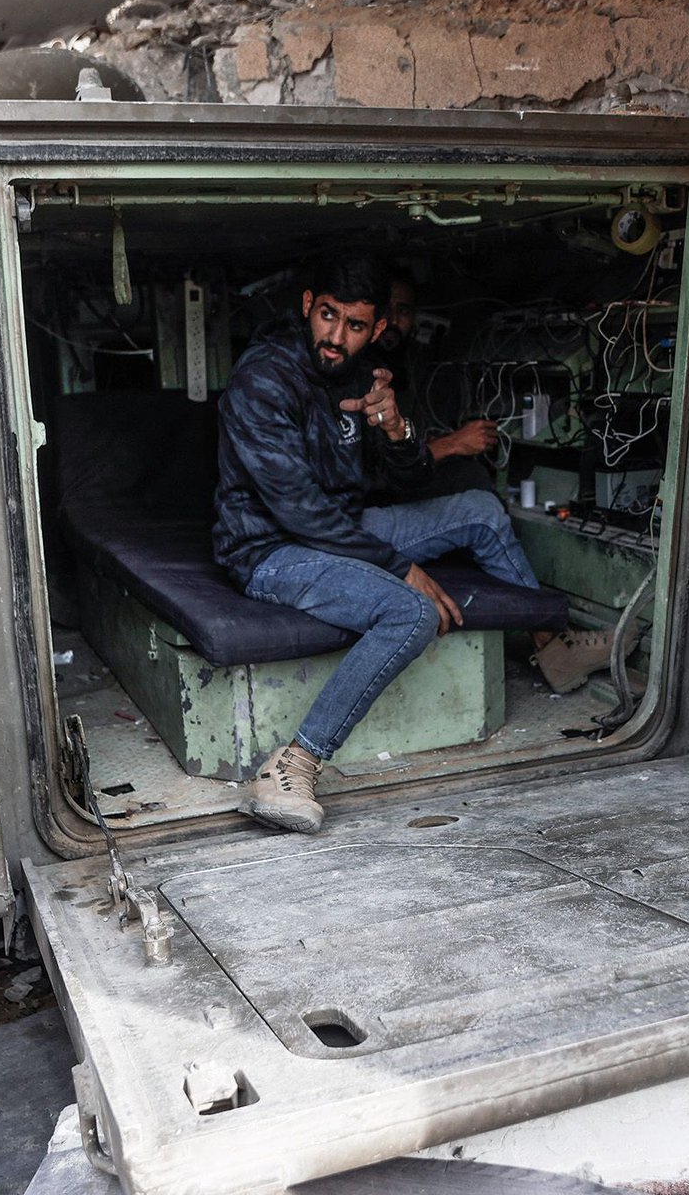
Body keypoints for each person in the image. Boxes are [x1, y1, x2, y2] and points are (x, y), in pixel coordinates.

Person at [212, 252, 543, 835]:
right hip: (268, 549)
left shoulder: (364, 375)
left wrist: (397, 428)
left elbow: (411, 477)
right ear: (307, 305)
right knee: (409, 610)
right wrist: (398, 566)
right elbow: (299, 510)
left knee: (481, 512)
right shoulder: (262, 379)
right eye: (327, 316)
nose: (336, 337)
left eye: (355, 325)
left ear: (378, 329)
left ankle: (549, 643)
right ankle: (292, 766)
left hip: (346, 525)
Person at [369, 270, 500, 500]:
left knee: (471, 476)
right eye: (386, 310)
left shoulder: (407, 366)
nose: (393, 321)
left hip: (405, 483)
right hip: (373, 502)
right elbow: (377, 476)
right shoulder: (358, 371)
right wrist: (453, 443)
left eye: (404, 311)